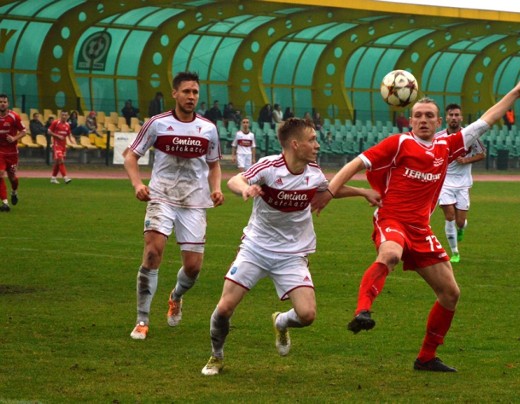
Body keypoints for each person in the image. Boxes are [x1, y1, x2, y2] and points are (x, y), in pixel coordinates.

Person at [311, 79, 520, 372]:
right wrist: (329, 191)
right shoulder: (399, 143)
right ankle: (363, 311)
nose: (423, 120)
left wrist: (515, 93)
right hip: (391, 219)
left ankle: (427, 357)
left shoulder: (448, 145)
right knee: (390, 254)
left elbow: (487, 119)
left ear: (439, 121)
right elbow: (355, 164)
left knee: (451, 293)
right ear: (410, 119)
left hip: (421, 229)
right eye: (418, 115)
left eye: (429, 115)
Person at [201, 118, 380, 375]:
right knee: (225, 307)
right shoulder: (269, 167)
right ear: (295, 144)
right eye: (312, 140)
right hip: (256, 249)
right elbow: (236, 179)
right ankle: (216, 356)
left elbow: (329, 189)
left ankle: (281, 321)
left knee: (307, 315)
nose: (317, 145)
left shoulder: (313, 173)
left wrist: (363, 192)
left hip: (293, 254)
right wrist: (245, 188)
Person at [124, 71, 225, 341]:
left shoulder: (208, 129)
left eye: (195, 92)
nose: (191, 97)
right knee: (152, 254)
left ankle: (176, 296)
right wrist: (138, 185)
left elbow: (214, 165)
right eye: (186, 92)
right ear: (175, 94)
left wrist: (216, 188)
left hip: (194, 202)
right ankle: (142, 320)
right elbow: (130, 156)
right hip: (161, 196)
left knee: (193, 268)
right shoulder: (157, 124)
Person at [436, 103, 486, 263]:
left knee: (460, 221)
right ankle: (455, 252)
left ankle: (461, 228)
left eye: (457, 115)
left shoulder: (469, 136)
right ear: (445, 118)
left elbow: (482, 154)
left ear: (461, 117)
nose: (454, 118)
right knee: (449, 216)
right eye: (451, 115)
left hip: (463, 183)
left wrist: (466, 160)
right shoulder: (438, 137)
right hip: (444, 182)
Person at [0, 94, 28, 212]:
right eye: (0, 101)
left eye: (4, 102)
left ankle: (14, 192)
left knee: (13, 178)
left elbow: (24, 131)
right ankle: (5, 203)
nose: (2, 103)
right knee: (0, 174)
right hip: (0, 151)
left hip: (12, 153)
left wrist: (14, 138)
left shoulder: (14, 116)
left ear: (8, 103)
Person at [48, 110, 77, 184]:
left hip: (63, 146)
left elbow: (69, 134)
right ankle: (65, 178)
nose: (64, 116)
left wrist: (72, 140)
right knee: (61, 160)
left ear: (67, 116)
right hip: (56, 144)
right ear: (60, 115)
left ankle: (53, 178)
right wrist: (58, 136)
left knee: (58, 162)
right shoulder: (56, 122)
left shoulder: (67, 125)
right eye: (63, 115)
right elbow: (49, 131)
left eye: (65, 115)